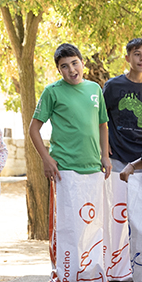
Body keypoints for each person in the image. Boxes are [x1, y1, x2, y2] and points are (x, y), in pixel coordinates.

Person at [28, 43, 110, 182]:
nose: (71, 70)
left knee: (91, 205)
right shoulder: (51, 91)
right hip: (64, 169)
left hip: (94, 168)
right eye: (64, 66)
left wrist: (105, 157)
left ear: (83, 63)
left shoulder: (95, 88)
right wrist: (46, 158)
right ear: (59, 70)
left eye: (74, 63)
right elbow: (33, 129)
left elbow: (102, 125)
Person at [102, 38, 142, 173]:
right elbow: (99, 117)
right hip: (116, 156)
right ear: (127, 58)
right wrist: (104, 147)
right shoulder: (113, 86)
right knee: (116, 194)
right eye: (137, 54)